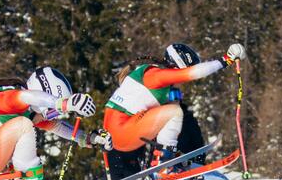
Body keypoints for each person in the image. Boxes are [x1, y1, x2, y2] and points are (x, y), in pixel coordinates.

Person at [103, 42, 245, 172]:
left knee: (172, 107)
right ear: (177, 67)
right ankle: (163, 165)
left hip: (115, 134)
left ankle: (165, 157)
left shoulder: (149, 75)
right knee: (175, 111)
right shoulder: (157, 75)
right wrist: (227, 59)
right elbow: (195, 73)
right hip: (121, 131)